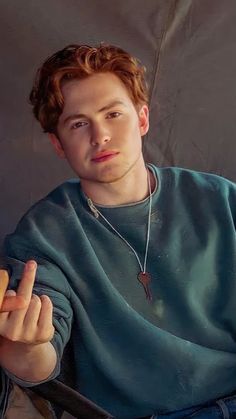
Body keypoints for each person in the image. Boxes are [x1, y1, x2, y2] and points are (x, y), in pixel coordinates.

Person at [0, 43, 235, 419]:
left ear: (142, 119)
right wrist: (26, 346)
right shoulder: (43, 234)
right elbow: (37, 364)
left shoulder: (220, 200)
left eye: (113, 114)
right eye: (78, 124)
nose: (100, 135)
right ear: (58, 144)